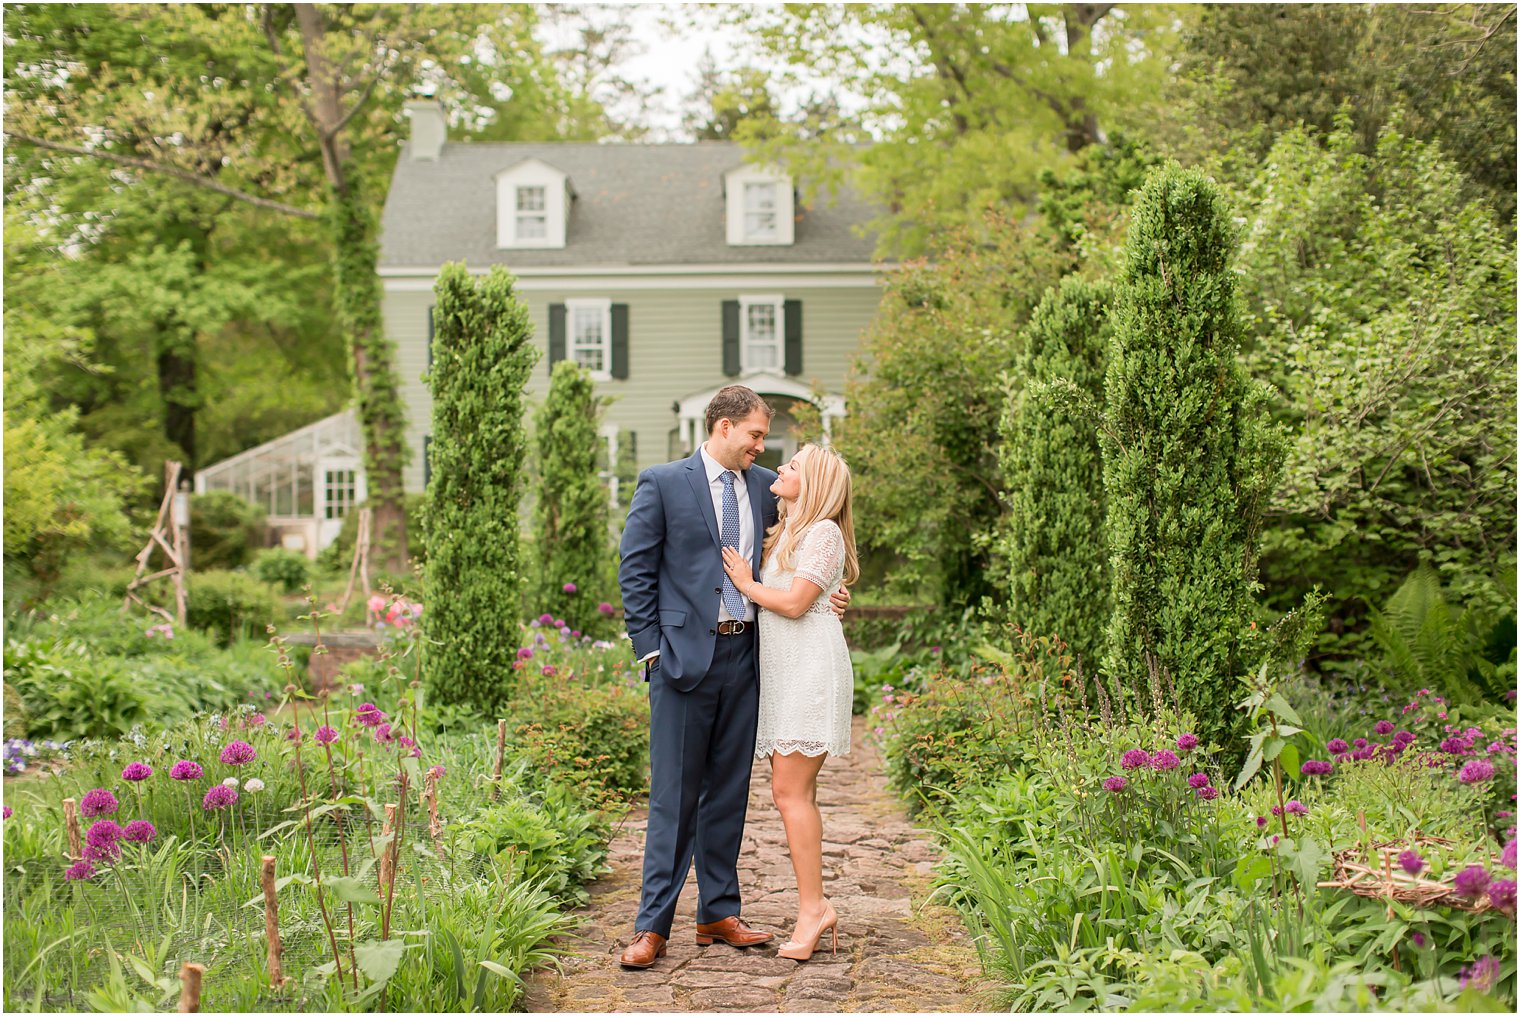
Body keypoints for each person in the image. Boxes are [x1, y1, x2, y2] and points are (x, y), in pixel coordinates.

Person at [616, 386, 849, 970]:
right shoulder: (663, 482)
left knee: (727, 793)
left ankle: (718, 912)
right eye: (754, 434)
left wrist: (831, 594)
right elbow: (635, 569)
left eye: (764, 438)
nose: (761, 446)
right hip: (681, 662)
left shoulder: (768, 486)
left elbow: (803, 554)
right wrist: (651, 652)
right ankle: (653, 926)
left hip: (748, 661)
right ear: (723, 427)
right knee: (674, 795)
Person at [721, 443, 858, 961]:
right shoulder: (789, 533)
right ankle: (815, 905)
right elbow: (815, 594)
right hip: (785, 673)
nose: (780, 467)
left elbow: (799, 603)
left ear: (815, 483)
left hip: (810, 671)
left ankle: (813, 909)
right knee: (791, 793)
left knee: (790, 793)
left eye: (793, 465)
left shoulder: (823, 532)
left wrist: (746, 585)